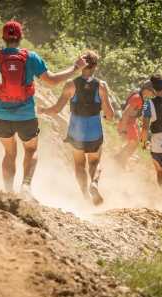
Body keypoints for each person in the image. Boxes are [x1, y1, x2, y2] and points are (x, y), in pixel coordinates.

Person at [0, 20, 87, 195]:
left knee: (9, 152)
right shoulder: (31, 57)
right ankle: (26, 186)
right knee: (31, 149)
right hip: (26, 116)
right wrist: (75, 67)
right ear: (20, 37)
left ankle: (8, 192)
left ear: (3, 37)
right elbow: (51, 81)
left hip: (1, 116)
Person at [38, 50, 114, 205]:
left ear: (81, 65)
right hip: (94, 131)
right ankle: (94, 184)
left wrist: (43, 110)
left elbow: (56, 110)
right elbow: (110, 114)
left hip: (76, 131)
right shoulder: (101, 86)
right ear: (95, 66)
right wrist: (106, 115)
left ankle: (85, 196)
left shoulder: (70, 84)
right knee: (95, 162)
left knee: (79, 165)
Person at [114, 80, 155, 168]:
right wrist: (123, 130)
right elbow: (126, 113)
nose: (153, 95)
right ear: (147, 90)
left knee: (134, 143)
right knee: (133, 142)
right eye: (153, 92)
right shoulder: (137, 98)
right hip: (126, 123)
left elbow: (136, 114)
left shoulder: (140, 97)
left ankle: (120, 160)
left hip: (130, 123)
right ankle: (119, 160)